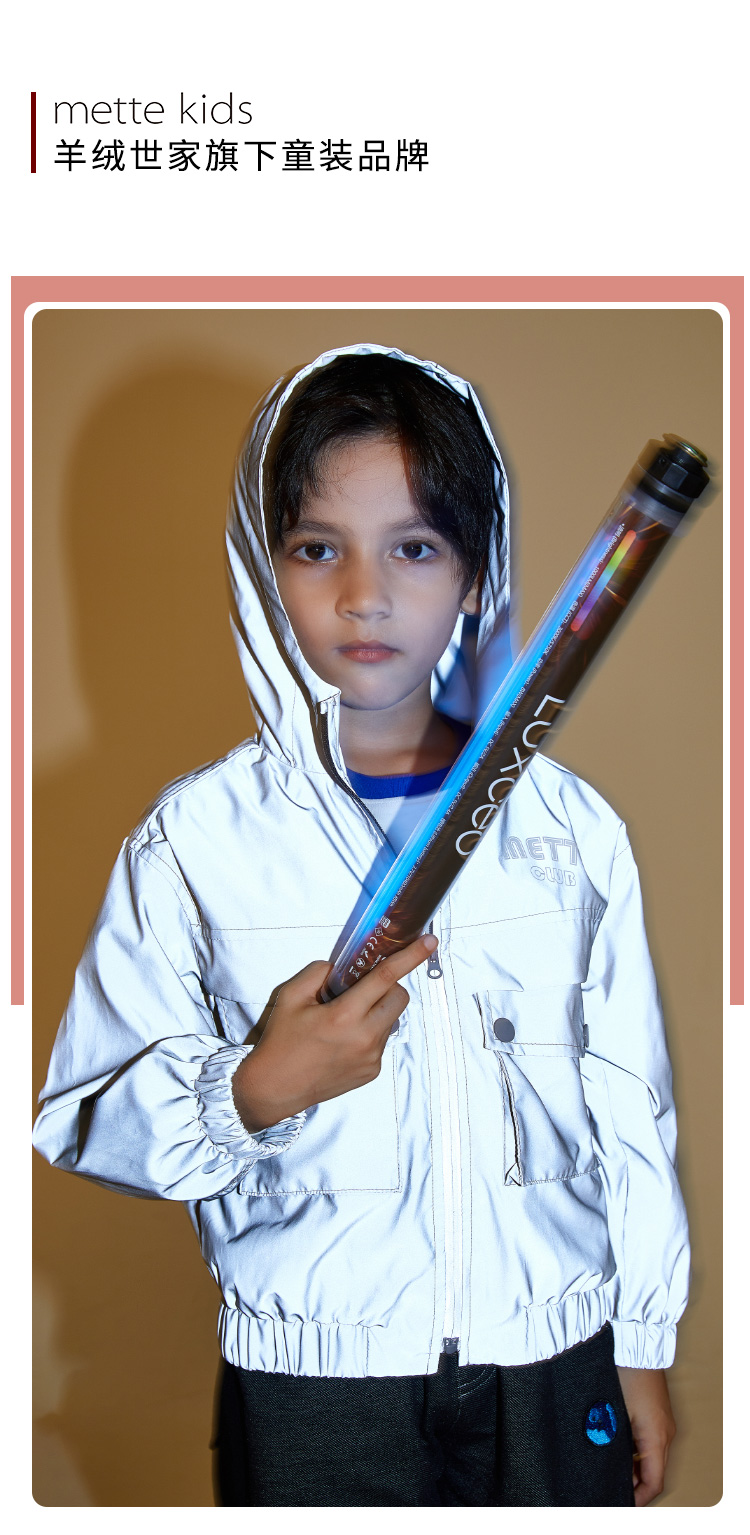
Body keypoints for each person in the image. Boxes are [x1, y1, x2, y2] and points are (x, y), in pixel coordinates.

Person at [33, 344, 687, 1507]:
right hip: (314, 1385)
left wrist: (638, 1334)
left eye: (415, 547)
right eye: (317, 546)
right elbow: (84, 1111)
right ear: (262, 567)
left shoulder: (571, 828)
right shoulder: (196, 839)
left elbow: (627, 1095)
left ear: (478, 573)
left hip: (555, 1355)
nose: (364, 594)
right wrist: (253, 1087)